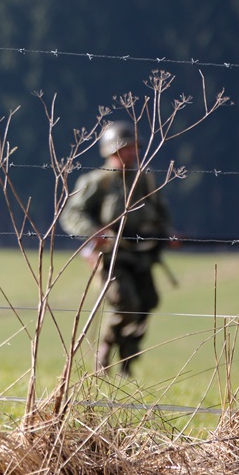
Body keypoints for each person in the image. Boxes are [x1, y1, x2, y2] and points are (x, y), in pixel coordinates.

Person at [59, 121, 174, 377]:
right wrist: (94, 232)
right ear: (112, 151)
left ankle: (127, 362)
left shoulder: (145, 179)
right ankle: (104, 352)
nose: (133, 153)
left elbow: (160, 212)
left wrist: (167, 233)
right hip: (112, 255)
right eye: (127, 148)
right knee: (125, 303)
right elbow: (72, 214)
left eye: (135, 148)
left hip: (142, 254)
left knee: (146, 302)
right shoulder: (98, 181)